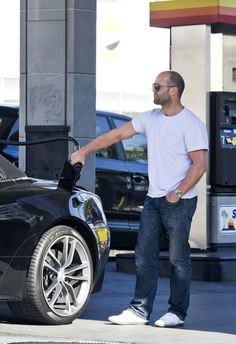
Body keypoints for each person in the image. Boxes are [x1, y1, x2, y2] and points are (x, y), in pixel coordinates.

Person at [70, 70, 208, 328]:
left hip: (180, 200)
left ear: (173, 90)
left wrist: (177, 193)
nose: (153, 91)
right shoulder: (151, 118)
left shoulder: (191, 124)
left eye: (157, 86)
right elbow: (117, 135)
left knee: (178, 258)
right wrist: (84, 151)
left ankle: (177, 312)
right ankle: (139, 310)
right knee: (144, 255)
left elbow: (200, 165)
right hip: (154, 199)